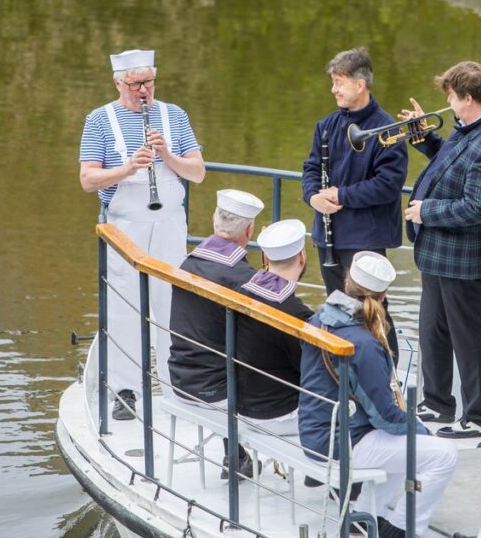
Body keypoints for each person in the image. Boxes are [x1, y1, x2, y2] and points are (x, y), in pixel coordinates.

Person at [79, 48, 205, 421]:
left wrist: (168, 156)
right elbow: (88, 180)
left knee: (173, 305)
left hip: (169, 223)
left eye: (148, 82)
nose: (143, 90)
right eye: (135, 84)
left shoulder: (174, 115)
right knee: (124, 306)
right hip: (125, 225)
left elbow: (197, 173)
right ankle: (125, 390)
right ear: (118, 83)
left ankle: (177, 387)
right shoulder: (99, 120)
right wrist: (127, 167)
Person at [298, 253, 457, 538]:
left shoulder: (320, 317)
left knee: (405, 442)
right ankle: (402, 529)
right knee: (443, 455)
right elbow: (384, 416)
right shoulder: (365, 343)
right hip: (339, 441)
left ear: (346, 282)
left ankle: (367, 516)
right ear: (383, 297)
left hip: (316, 432)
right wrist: (422, 432)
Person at [401, 61, 481, 439]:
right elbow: (448, 163)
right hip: (439, 252)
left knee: (467, 336)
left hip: (464, 258)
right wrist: (422, 137)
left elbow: (477, 207)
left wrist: (426, 210)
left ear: (467, 98)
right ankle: (436, 402)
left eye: (450, 96)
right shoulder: (471, 128)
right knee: (433, 329)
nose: (446, 103)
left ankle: (478, 416)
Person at [302, 47, 407, 360]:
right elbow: (310, 169)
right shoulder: (326, 125)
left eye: (339, 82)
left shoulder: (386, 130)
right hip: (328, 233)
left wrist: (340, 196)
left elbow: (388, 185)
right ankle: (345, 372)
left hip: (365, 237)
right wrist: (313, 197)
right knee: (337, 307)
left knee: (373, 314)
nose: (333, 89)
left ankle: (388, 374)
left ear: (359, 85)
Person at [169, 189, 263, 479]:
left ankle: (236, 455)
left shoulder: (188, 263)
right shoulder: (242, 278)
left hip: (180, 376)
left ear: (214, 219)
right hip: (217, 388)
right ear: (249, 230)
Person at [235, 219, 314, 436]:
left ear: (267, 258)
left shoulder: (240, 293)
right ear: (302, 257)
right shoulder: (298, 314)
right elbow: (310, 372)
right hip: (280, 414)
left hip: (239, 405)